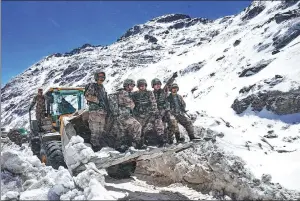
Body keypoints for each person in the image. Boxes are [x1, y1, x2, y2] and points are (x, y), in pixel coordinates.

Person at [108, 79, 145, 151]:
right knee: (137, 125)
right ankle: (137, 143)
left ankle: (120, 146)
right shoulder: (124, 93)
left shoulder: (119, 92)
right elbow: (131, 105)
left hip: (118, 116)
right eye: (131, 85)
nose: (132, 87)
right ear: (127, 85)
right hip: (124, 116)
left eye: (133, 86)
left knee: (122, 132)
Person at [131, 78, 167, 147]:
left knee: (158, 121)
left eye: (144, 85)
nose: (142, 87)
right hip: (139, 116)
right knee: (139, 128)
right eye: (140, 85)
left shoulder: (149, 93)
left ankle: (162, 139)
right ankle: (139, 143)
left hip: (149, 114)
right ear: (138, 86)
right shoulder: (134, 94)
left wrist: (155, 112)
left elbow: (153, 103)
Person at [151, 73, 184, 144]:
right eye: (156, 84)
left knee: (173, 121)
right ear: (153, 86)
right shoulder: (150, 94)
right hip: (158, 113)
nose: (158, 85)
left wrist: (173, 77)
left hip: (166, 111)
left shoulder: (164, 91)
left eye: (159, 84)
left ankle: (177, 138)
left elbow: (168, 84)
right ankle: (162, 140)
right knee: (160, 125)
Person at [84, 71, 110, 150]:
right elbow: (88, 96)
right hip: (95, 112)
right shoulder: (92, 86)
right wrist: (98, 101)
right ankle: (94, 147)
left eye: (103, 77)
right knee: (95, 130)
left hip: (102, 112)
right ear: (96, 77)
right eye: (100, 77)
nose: (101, 79)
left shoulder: (102, 87)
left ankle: (99, 146)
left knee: (101, 130)